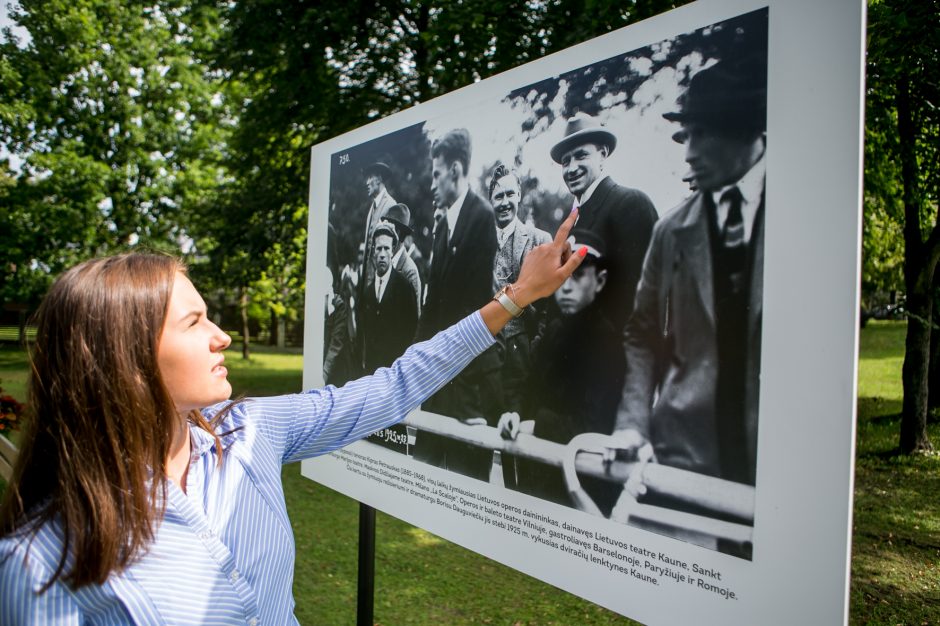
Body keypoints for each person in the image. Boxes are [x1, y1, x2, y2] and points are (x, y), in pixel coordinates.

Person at [0, 208, 586, 624]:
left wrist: (515, 298)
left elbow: (396, 386)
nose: (223, 337)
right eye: (194, 322)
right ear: (123, 360)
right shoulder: (37, 561)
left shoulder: (252, 431)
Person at [612, 60, 766, 490]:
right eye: (686, 136)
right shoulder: (670, 231)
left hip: (773, 464)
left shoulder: (804, 211)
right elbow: (641, 333)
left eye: (703, 134)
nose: (689, 152)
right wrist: (632, 424)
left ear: (747, 130)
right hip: (683, 457)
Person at [499, 229, 626, 513]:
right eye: (562, 274)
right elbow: (527, 385)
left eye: (578, 275)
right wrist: (515, 413)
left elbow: (594, 426)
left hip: (582, 493)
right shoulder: (555, 331)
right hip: (543, 481)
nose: (566, 286)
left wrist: (536, 424)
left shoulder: (608, 343)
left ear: (600, 281)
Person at [418, 128, 500, 423]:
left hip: (464, 386)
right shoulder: (442, 229)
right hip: (435, 382)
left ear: (454, 170)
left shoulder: (482, 217)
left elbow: (474, 309)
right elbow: (431, 307)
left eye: (436, 175)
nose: (432, 184)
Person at [550, 112, 658, 331]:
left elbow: (641, 304)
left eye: (581, 156)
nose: (571, 168)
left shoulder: (630, 204)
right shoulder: (568, 222)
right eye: (565, 161)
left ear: (602, 155)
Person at [488, 163, 551, 410]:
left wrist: (534, 350)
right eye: (498, 196)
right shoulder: (480, 242)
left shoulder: (540, 240)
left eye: (510, 194)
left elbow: (548, 309)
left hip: (523, 358)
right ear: (490, 200)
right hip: (486, 356)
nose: (505, 202)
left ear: (519, 196)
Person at [358, 223, 419, 373]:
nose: (382, 254)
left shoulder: (404, 287)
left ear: (392, 251)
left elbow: (412, 331)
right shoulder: (367, 292)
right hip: (372, 373)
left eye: (386, 248)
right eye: (379, 248)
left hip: (396, 372)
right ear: (373, 252)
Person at [379, 202, 423, 317]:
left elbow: (414, 319)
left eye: (388, 230)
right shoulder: (383, 263)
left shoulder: (410, 271)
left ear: (398, 233)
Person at [360, 161, 397, 291]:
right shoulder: (372, 209)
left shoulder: (391, 205)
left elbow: (393, 249)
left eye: (370, 177)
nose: (367, 183)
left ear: (379, 178)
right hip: (368, 283)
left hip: (381, 284)